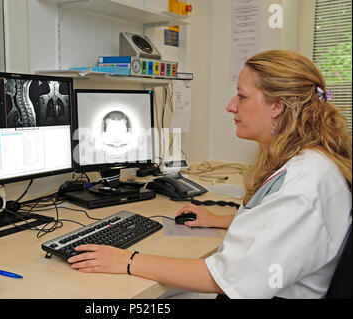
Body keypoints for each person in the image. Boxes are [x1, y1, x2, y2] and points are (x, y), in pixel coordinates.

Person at [67, 50, 352, 299]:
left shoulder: (303, 182)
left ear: (277, 106)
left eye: (242, 96)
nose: (231, 106)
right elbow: (279, 223)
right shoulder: (308, 162)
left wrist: (128, 260)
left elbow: (221, 279)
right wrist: (221, 221)